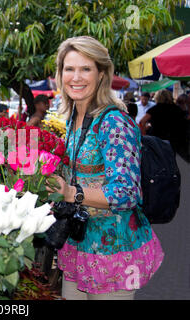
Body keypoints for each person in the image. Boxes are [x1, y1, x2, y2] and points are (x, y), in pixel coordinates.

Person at [49, 36, 164, 300]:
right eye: (69, 69)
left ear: (101, 74)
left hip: (114, 255)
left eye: (85, 69)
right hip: (78, 245)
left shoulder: (113, 122)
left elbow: (126, 194)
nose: (76, 77)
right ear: (60, 74)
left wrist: (71, 193)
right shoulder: (73, 119)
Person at [140, 89, 188, 155]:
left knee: (157, 158)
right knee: (170, 158)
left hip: (156, 138)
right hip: (173, 139)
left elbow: (142, 122)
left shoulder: (154, 109)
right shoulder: (177, 109)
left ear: (157, 97)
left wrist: (144, 134)